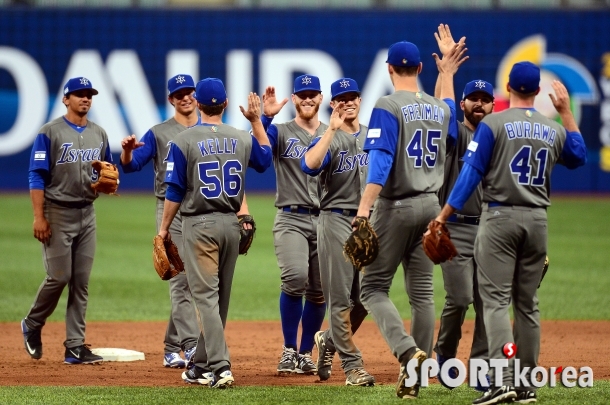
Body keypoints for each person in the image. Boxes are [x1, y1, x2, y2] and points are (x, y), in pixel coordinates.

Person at [432, 62, 586, 404]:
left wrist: (443, 214)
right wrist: (564, 112)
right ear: (537, 90)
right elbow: (579, 156)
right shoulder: (552, 127)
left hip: (500, 219)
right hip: (538, 221)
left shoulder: (494, 124)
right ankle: (526, 383)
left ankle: (501, 379)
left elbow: (471, 173)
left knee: (496, 302)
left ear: (507, 88)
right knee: (528, 305)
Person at [354, 41, 465, 399]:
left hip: (396, 207)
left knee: (371, 289)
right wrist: (446, 74)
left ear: (389, 69)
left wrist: (363, 209)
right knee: (421, 294)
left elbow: (381, 162)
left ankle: (407, 353)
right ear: (420, 69)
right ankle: (417, 373)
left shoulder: (387, 105)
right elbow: (449, 111)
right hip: (431, 207)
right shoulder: (437, 108)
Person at [159, 78, 272, 388]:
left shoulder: (183, 140)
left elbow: (175, 189)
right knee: (219, 299)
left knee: (206, 298)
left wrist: (164, 229)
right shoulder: (241, 137)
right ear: (224, 104)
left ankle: (220, 367)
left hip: (200, 226)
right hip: (231, 224)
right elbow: (265, 158)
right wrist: (256, 121)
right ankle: (200, 366)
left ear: (198, 104)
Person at [22, 77, 112, 365]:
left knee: (81, 282)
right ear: (65, 99)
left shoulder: (99, 133)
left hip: (88, 213)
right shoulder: (50, 132)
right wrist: (39, 216)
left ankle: (74, 346)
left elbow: (107, 170)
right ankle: (32, 323)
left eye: (89, 95)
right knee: (59, 277)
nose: (85, 99)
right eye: (78, 94)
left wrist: (106, 181)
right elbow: (37, 175)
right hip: (57, 212)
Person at [120, 74, 201, 369]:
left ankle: (170, 347)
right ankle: (191, 347)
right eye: (179, 94)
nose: (185, 98)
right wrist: (128, 151)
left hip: (201, 209)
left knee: (195, 281)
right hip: (170, 211)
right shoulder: (159, 132)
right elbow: (131, 166)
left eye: (189, 92)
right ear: (171, 100)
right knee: (179, 281)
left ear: (195, 94)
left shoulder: (207, 128)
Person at [301, 78, 374, 386]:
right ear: (333, 104)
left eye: (352, 97)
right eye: (341, 98)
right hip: (335, 221)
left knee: (367, 299)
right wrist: (330, 129)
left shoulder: (374, 135)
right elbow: (309, 164)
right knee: (341, 300)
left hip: (369, 225)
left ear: (359, 99)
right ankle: (353, 367)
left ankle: (329, 341)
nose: (348, 102)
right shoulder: (326, 137)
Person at [432, 24, 491, 391]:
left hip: (489, 228)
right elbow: (444, 112)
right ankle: (444, 357)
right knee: (461, 298)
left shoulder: (496, 136)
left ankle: (482, 363)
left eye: (486, 100)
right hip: (455, 229)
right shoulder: (456, 134)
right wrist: (447, 75)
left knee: (489, 301)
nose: (480, 104)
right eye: (475, 99)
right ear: (466, 103)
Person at [263, 76, 328, 375]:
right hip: (291, 217)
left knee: (318, 292)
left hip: (327, 219)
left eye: (312, 94)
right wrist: (264, 118)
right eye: (302, 95)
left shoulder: (332, 133)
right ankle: (289, 348)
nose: (307, 100)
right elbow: (258, 156)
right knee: (295, 277)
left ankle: (304, 353)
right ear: (294, 98)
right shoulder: (280, 131)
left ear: (321, 97)